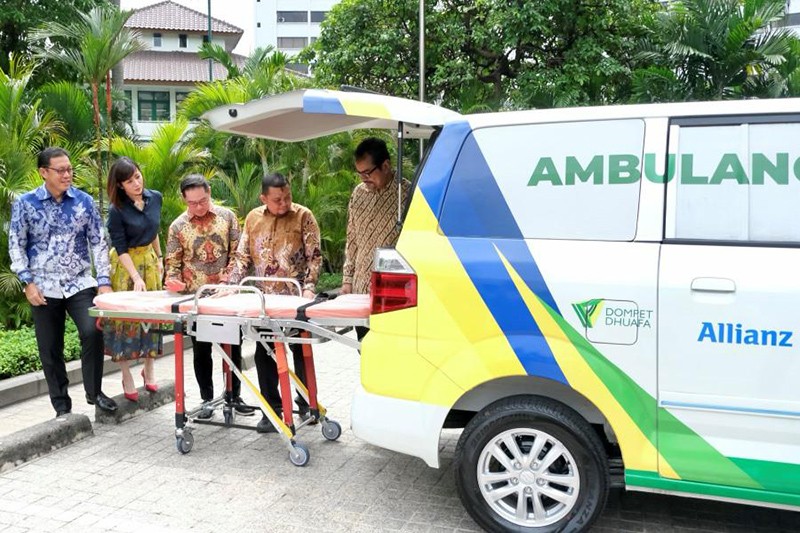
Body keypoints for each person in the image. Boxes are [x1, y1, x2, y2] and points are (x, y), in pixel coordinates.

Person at [9, 147, 119, 418]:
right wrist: (27, 282)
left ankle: (95, 393)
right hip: (43, 286)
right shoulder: (26, 203)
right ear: (43, 172)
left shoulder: (83, 201)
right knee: (50, 347)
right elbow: (16, 245)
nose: (67, 174)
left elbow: (98, 242)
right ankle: (62, 407)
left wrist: (103, 281)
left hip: (79, 282)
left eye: (69, 169)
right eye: (60, 170)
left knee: (92, 332)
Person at [228, 172, 322, 433]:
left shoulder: (303, 216)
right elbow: (242, 257)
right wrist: (230, 287)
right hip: (265, 302)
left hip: (296, 299)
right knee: (264, 353)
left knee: (300, 352)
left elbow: (315, 256)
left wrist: (310, 287)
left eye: (288, 197)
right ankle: (272, 409)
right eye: (278, 200)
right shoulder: (253, 219)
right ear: (264, 198)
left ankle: (307, 405)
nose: (285, 204)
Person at [164, 175, 255, 418]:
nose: (199, 207)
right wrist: (172, 280)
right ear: (184, 200)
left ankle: (234, 396)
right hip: (196, 299)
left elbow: (239, 255)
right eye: (192, 203)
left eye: (203, 200)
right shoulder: (177, 227)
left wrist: (229, 280)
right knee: (201, 350)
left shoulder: (227, 217)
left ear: (209, 192)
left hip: (225, 296)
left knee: (232, 347)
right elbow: (172, 263)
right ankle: (206, 400)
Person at [103, 157, 163, 402]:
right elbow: (119, 248)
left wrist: (160, 258)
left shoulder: (155, 197)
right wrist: (135, 276)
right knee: (124, 322)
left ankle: (148, 368)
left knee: (152, 318)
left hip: (149, 261)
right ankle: (126, 373)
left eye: (137, 176)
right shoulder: (117, 210)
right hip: (126, 266)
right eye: (129, 181)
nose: (136, 183)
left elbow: (155, 229)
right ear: (120, 186)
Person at [342, 137, 411, 340]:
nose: (363, 178)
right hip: (361, 290)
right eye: (359, 173)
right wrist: (347, 280)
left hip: (393, 294)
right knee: (365, 351)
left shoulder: (406, 195)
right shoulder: (358, 193)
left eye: (368, 173)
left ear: (386, 165)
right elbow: (352, 238)